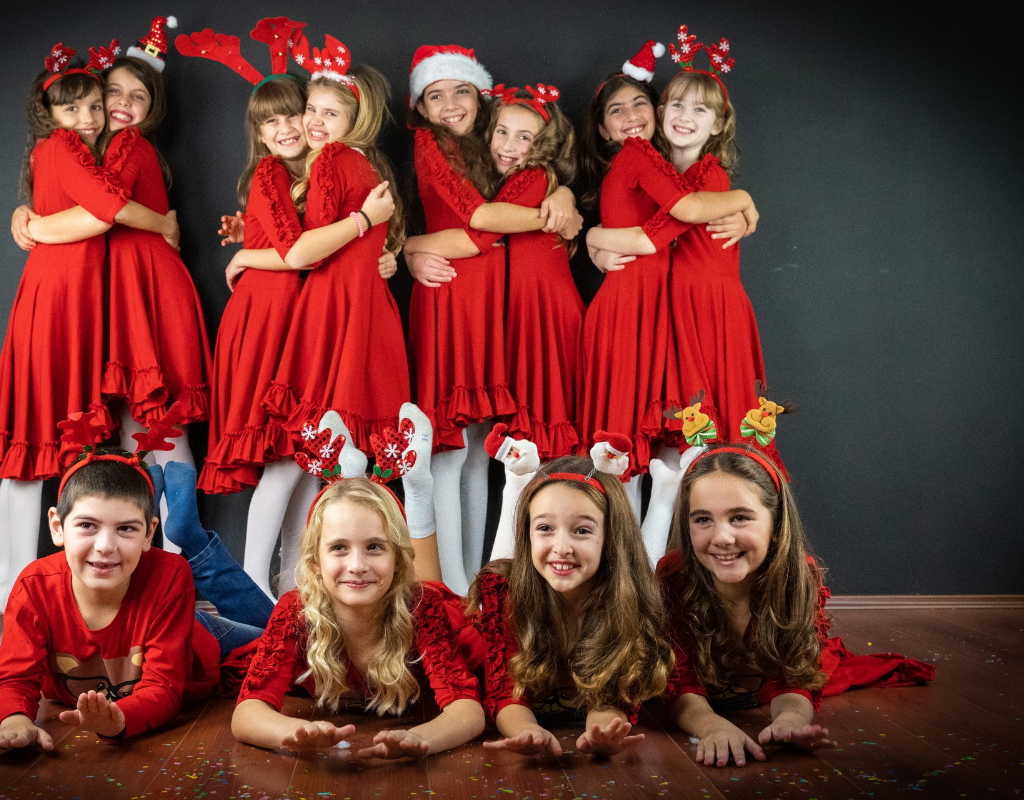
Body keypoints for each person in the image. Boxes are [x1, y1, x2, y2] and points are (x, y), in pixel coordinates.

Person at [0, 44, 180, 613]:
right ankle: (15, 581)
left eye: (95, 106)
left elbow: (94, 212)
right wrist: (162, 223)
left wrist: (33, 219)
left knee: (45, 433)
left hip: (79, 299)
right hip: (61, 301)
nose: (90, 117)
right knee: (39, 432)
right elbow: (103, 210)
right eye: (78, 106)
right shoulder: (63, 147)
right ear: (51, 112)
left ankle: (4, 577)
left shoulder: (90, 150)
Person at [404, 48, 582, 589]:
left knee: (479, 450)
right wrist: (409, 247)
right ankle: (448, 582)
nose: (450, 104)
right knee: (450, 448)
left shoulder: (486, 149)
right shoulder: (431, 143)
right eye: (436, 95)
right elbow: (481, 227)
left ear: (480, 99)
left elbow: (507, 198)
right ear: (420, 107)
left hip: (487, 308)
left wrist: (562, 192)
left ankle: (473, 581)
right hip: (451, 295)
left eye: (461, 91)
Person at [578, 40, 759, 565]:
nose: (684, 116)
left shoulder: (704, 177)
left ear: (718, 125)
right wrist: (593, 237)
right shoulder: (648, 163)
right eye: (676, 105)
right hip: (647, 315)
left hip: (697, 318)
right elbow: (662, 226)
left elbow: (675, 219)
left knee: (686, 445)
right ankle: (634, 573)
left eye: (700, 110)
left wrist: (744, 202)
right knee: (636, 445)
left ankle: (667, 570)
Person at [0, 424, 270, 750]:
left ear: (149, 535)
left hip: (189, 632)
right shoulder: (34, 587)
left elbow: (163, 688)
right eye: (87, 525)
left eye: (126, 529)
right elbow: (13, 679)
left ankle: (190, 536)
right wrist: (14, 720)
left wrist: (120, 720)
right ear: (57, 527)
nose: (105, 546)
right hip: (151, 615)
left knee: (294, 638)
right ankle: (151, 507)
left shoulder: (169, 575)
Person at [659, 444, 935, 768]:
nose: (722, 537)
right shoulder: (675, 577)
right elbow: (681, 682)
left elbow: (793, 678)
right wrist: (711, 726)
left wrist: (790, 721)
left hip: (762, 679)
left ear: (776, 525)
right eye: (703, 519)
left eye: (740, 518)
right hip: (709, 684)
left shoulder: (796, 577)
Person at [256, 36, 412, 591]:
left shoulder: (332, 162)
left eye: (330, 113)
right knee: (317, 452)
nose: (315, 122)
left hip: (339, 306)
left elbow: (311, 248)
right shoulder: (358, 163)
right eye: (311, 110)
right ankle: (278, 580)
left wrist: (374, 244)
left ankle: (282, 580)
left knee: (308, 452)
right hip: (354, 308)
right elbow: (322, 245)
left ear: (354, 119)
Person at [230, 424, 485, 759]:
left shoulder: (422, 608)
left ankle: (417, 489)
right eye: (339, 548)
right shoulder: (295, 610)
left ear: (398, 557)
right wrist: (296, 733)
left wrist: (419, 739)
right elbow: (246, 713)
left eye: (374, 547)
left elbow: (468, 710)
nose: (357, 565)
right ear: (315, 562)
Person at [468, 454, 674, 757]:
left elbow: (612, 696)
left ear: (611, 538)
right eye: (545, 528)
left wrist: (601, 733)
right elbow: (506, 693)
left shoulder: (628, 600)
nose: (561, 548)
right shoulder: (503, 591)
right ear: (527, 534)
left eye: (582, 531)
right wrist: (527, 730)